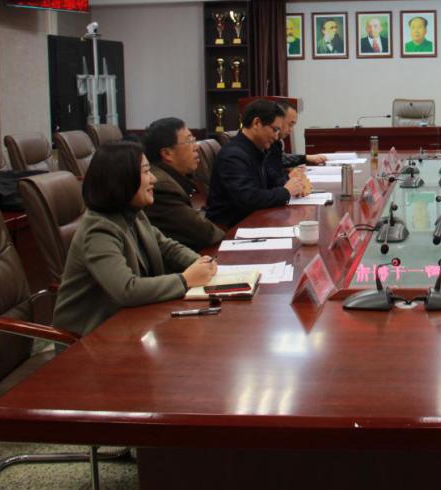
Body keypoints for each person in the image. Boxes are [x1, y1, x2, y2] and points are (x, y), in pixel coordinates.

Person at [52, 142, 218, 338]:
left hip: (128, 323)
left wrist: (201, 263)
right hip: (89, 338)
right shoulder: (98, 230)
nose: (154, 178)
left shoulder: (133, 213)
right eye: (146, 172)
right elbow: (127, 290)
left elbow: (168, 247)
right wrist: (185, 279)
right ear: (122, 180)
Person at [206, 100, 309, 227]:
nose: (276, 137)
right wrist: (286, 191)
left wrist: (292, 183)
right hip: (232, 227)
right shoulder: (233, 156)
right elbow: (248, 199)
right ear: (257, 123)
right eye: (275, 130)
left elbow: (269, 184)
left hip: (253, 219)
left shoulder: (257, 149)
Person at [142, 117, 225, 251]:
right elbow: (206, 233)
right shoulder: (161, 187)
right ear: (167, 153)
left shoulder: (178, 177)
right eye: (189, 141)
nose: (196, 146)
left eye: (194, 140)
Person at [266, 100, 327, 185]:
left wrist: (286, 170)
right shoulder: (265, 143)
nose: (291, 130)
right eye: (290, 124)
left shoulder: (277, 142)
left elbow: (278, 163)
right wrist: (288, 176)